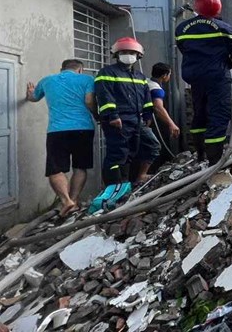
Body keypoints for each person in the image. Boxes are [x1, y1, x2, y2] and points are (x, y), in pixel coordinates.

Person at [176, 0, 232, 164]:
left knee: (199, 115)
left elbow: (185, 50)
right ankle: (214, 165)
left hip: (196, 80)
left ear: (197, 5)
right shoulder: (226, 29)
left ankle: (200, 156)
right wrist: (226, 65)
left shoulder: (182, 30)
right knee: (219, 117)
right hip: (218, 80)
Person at [90, 37, 159, 213]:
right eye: (124, 52)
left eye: (132, 53)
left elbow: (146, 98)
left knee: (131, 153)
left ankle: (124, 189)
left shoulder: (140, 77)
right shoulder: (107, 72)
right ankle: (111, 192)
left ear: (138, 56)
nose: (128, 55)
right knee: (117, 155)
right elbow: (105, 96)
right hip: (117, 121)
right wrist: (112, 115)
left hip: (135, 120)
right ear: (116, 55)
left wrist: (148, 114)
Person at [25, 59, 97, 217]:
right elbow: (89, 101)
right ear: (80, 70)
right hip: (83, 129)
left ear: (61, 69)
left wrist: (29, 92)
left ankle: (66, 201)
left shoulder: (47, 80)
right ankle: (74, 200)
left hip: (57, 131)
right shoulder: (87, 79)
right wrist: (97, 116)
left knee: (55, 168)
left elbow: (33, 98)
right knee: (80, 167)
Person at [135, 62, 180, 180]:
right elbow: (158, 107)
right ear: (164, 75)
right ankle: (142, 175)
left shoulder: (146, 82)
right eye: (169, 74)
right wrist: (172, 124)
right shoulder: (156, 89)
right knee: (154, 146)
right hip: (138, 121)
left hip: (133, 119)